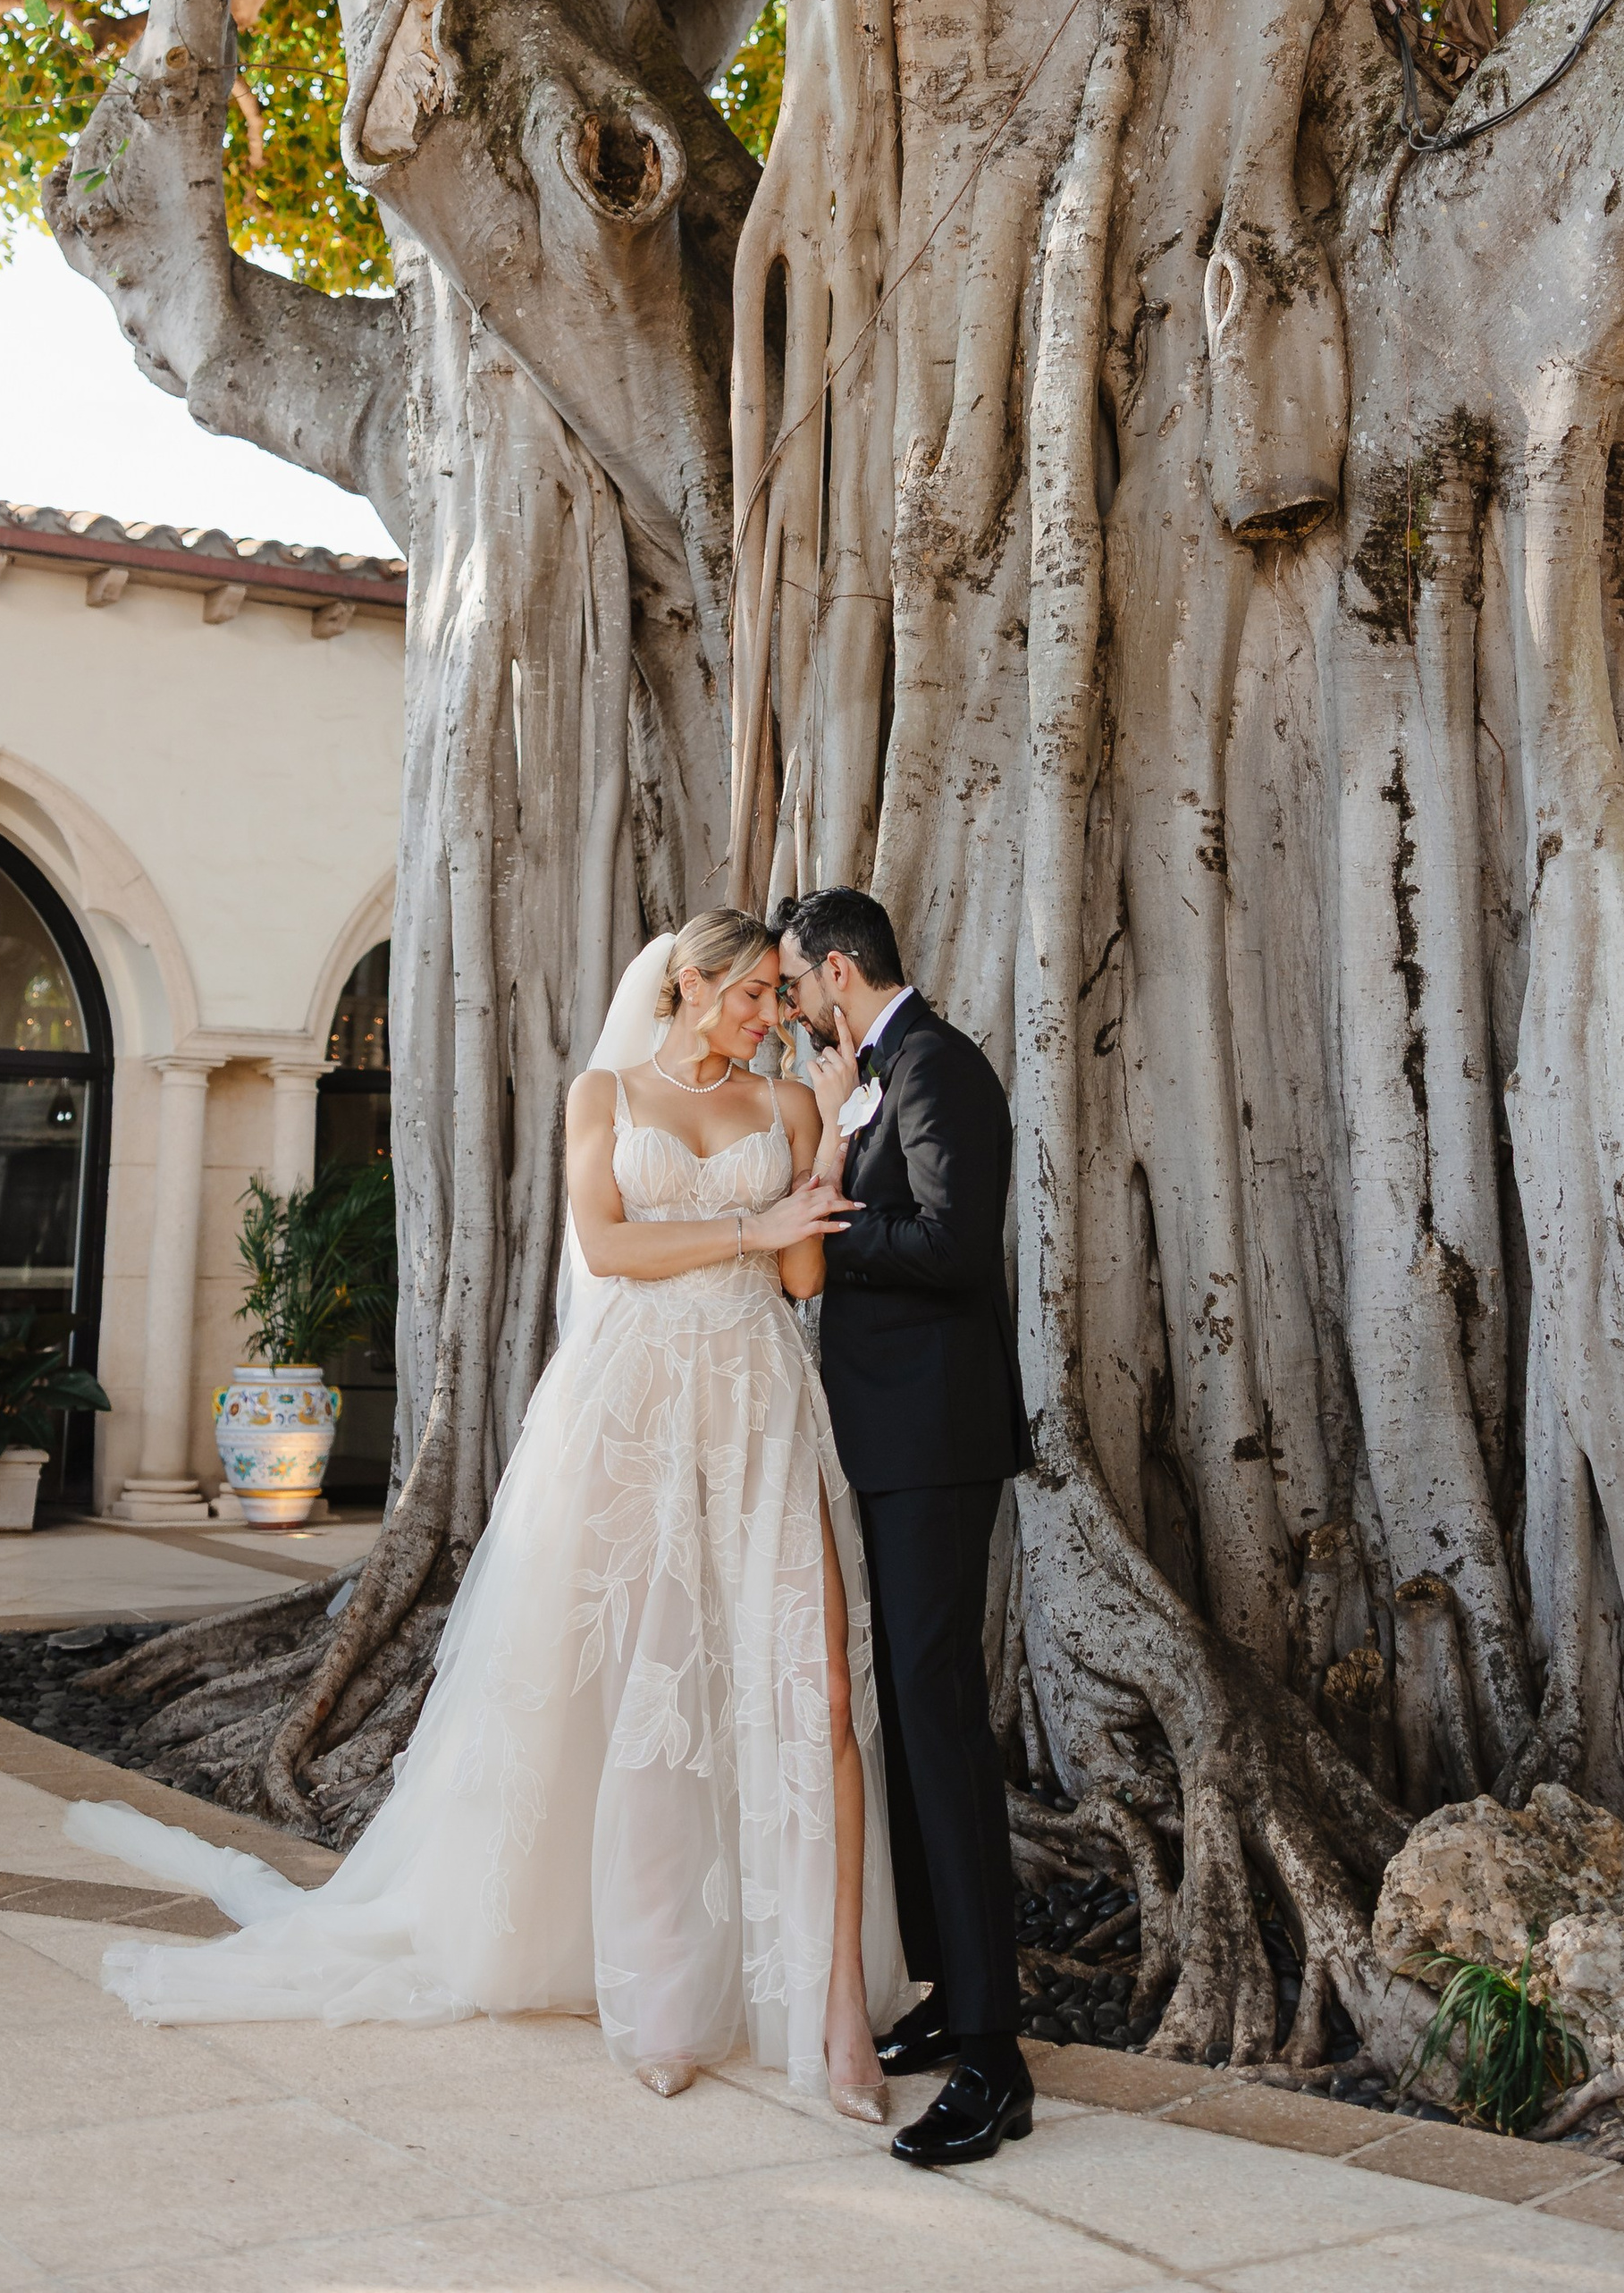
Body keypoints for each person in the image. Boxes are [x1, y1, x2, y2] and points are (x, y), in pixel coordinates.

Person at [64, 908, 909, 2116]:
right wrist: (744, 1224)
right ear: (694, 982)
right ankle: (664, 1991)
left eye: (781, 995)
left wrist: (824, 1151)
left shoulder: (784, 1105)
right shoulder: (603, 1097)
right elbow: (608, 1247)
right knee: (652, 1688)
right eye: (758, 992)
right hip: (637, 1412)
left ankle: (834, 2014)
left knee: (816, 1691)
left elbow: (802, 1274)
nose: (775, 1015)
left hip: (762, 1405)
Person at [773, 885, 1036, 2169]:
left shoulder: (939, 1067)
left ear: (837, 969)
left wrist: (830, 1222)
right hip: (882, 1437)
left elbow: (952, 1243)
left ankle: (997, 2052)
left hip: (937, 1442)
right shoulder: (867, 1074)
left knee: (941, 1716)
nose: (791, 1006)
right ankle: (944, 1991)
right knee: (904, 1703)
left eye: (796, 982)